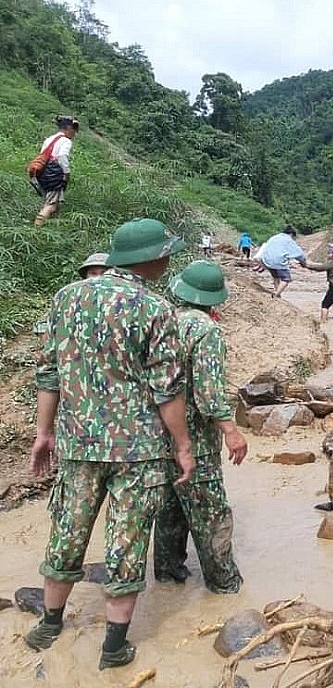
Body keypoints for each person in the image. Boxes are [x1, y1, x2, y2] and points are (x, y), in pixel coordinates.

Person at [25, 217, 194, 670]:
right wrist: (183, 444)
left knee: (68, 531)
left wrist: (44, 434)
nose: (168, 258)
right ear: (151, 258)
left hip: (79, 445)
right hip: (138, 452)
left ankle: (49, 625)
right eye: (165, 252)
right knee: (127, 541)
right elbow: (167, 390)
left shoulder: (65, 299)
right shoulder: (155, 308)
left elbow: (49, 373)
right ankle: (114, 648)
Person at [154, 261, 248, 593]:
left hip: (158, 436)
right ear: (213, 299)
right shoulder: (206, 330)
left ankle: (167, 575)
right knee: (211, 514)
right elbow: (208, 394)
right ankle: (225, 586)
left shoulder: (161, 321)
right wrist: (231, 431)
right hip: (195, 441)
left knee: (169, 508)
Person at [33, 115, 80, 226]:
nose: (74, 133)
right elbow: (62, 156)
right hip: (54, 174)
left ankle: (53, 227)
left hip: (43, 173)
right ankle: (36, 229)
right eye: (74, 129)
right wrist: (66, 173)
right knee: (51, 205)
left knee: (55, 203)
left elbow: (42, 155)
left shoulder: (49, 139)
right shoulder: (66, 141)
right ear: (68, 127)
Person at [260, 226, 308, 298]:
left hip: (266, 260)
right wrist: (304, 263)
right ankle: (276, 294)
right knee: (286, 279)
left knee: (276, 277)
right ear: (291, 234)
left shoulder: (274, 237)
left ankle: (277, 293)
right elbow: (298, 254)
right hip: (278, 261)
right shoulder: (288, 240)